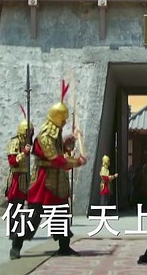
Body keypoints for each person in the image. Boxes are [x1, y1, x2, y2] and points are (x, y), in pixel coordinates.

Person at [19, 82, 87, 257]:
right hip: (44, 180)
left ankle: (64, 247)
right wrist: (77, 162)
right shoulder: (45, 135)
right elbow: (55, 158)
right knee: (34, 215)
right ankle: (16, 245)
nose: (65, 122)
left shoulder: (55, 133)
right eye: (63, 120)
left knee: (62, 213)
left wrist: (69, 140)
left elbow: (59, 149)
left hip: (58, 180)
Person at [7, 118, 32, 259]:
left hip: (25, 176)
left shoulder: (26, 143)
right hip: (16, 177)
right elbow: (12, 161)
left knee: (21, 205)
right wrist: (24, 153)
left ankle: (16, 231)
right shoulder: (15, 142)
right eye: (28, 132)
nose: (30, 134)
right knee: (15, 205)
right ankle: (13, 231)